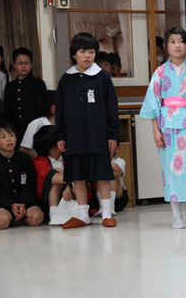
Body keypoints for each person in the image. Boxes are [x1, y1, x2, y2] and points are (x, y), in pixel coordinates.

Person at [140, 27, 186, 229]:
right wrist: (155, 129)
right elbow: (153, 103)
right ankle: (176, 216)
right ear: (165, 46)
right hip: (168, 126)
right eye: (173, 41)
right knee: (170, 171)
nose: (177, 45)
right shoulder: (160, 72)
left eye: (181, 41)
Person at [55, 32, 120, 228]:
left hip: (97, 136)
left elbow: (111, 108)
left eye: (91, 51)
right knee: (78, 177)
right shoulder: (66, 79)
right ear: (74, 54)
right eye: (82, 51)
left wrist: (112, 135)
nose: (87, 56)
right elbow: (60, 111)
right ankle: (83, 215)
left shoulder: (102, 78)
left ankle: (107, 214)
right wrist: (60, 135)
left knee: (102, 175)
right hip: (74, 137)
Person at [0, 121, 44, 229]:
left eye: (11, 135)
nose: (9, 139)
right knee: (2, 221)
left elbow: (28, 184)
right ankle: (6, 218)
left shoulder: (24, 159)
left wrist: (23, 203)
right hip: (1, 202)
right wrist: (10, 204)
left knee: (37, 217)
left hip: (23, 200)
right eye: (3, 137)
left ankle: (18, 217)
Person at [4, 47, 47, 143]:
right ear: (13, 65)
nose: (23, 66)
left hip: (34, 128)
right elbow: (7, 109)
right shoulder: (9, 87)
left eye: (26, 63)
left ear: (32, 65)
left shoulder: (38, 84)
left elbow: (42, 108)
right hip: (14, 129)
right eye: (19, 63)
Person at [32, 125, 69, 222]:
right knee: (56, 174)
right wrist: (72, 181)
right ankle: (54, 214)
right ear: (51, 147)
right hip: (47, 202)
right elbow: (49, 177)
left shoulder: (69, 157)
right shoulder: (39, 161)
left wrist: (70, 186)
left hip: (70, 194)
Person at [92, 139, 129, 217]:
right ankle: (103, 207)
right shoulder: (95, 162)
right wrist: (106, 164)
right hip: (99, 199)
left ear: (117, 149)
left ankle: (110, 207)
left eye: (108, 148)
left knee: (111, 176)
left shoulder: (119, 161)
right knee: (98, 176)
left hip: (118, 199)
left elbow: (115, 173)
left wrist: (106, 164)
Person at [20, 90, 56, 159]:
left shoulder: (64, 123)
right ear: (53, 108)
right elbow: (24, 149)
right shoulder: (36, 124)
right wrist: (42, 162)